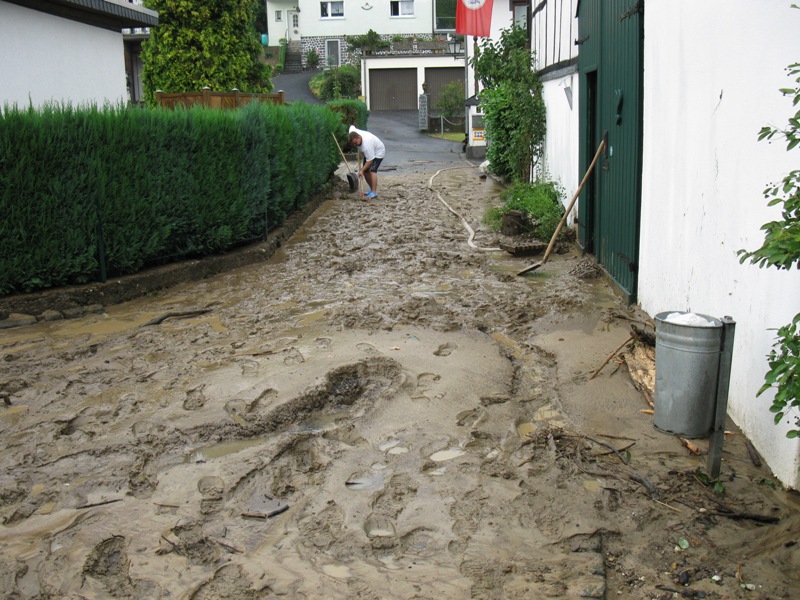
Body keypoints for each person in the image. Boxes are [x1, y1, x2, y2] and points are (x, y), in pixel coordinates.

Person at [348, 125, 385, 199]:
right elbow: (352, 126)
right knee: (365, 172)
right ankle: (371, 189)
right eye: (353, 144)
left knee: (372, 171)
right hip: (369, 153)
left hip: (378, 152)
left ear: (359, 137)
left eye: (356, 143)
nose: (355, 145)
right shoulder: (352, 133)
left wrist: (361, 170)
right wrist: (363, 171)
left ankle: (374, 192)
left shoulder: (366, 145)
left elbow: (370, 160)